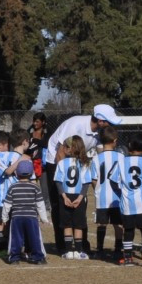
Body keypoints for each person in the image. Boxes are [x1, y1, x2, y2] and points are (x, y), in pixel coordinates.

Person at [44, 103, 120, 252]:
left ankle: (82, 243)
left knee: (81, 202)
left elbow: (102, 154)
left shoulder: (100, 133)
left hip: (77, 163)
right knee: (59, 203)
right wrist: (64, 180)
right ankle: (62, 244)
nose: (111, 125)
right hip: (57, 162)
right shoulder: (75, 125)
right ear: (100, 121)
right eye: (109, 122)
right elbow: (60, 152)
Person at [114, 138, 142, 266]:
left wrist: (120, 192)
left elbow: (112, 179)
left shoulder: (121, 162)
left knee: (128, 231)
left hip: (127, 203)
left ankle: (128, 258)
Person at [52, 135, 91, 258]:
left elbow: (58, 182)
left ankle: (69, 251)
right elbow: (86, 184)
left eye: (65, 146)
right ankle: (79, 251)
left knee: (67, 224)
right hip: (79, 197)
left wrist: (64, 197)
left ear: (70, 148)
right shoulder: (84, 163)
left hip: (66, 196)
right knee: (78, 225)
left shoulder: (61, 163)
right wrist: (80, 198)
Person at [3, 159, 48, 264]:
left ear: (17, 173)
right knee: (35, 237)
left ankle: (14, 258)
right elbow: (40, 204)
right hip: (31, 217)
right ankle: (38, 257)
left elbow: (7, 204)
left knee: (16, 238)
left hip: (16, 217)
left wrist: (4, 217)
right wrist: (44, 218)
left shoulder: (13, 187)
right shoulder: (35, 187)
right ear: (31, 173)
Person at [89, 127, 123, 260]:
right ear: (115, 140)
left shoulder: (96, 158)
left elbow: (94, 179)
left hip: (102, 197)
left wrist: (97, 189)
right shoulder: (121, 157)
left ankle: (100, 249)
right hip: (117, 197)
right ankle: (118, 249)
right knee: (118, 224)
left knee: (101, 224)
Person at [0, 132, 21, 256]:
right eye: (6, 146)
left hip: (8, 196)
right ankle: (1, 250)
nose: (8, 149)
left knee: (9, 222)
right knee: (1, 223)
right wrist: (20, 159)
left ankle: (10, 248)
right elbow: (7, 171)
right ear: (0, 146)